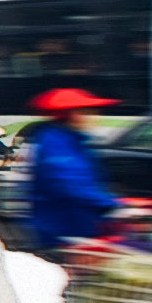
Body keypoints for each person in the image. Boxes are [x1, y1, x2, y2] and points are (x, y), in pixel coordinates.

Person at [22, 86, 125, 252]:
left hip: (77, 225)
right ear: (74, 115)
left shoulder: (71, 141)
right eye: (90, 112)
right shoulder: (55, 144)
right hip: (63, 229)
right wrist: (112, 205)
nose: (96, 117)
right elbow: (68, 183)